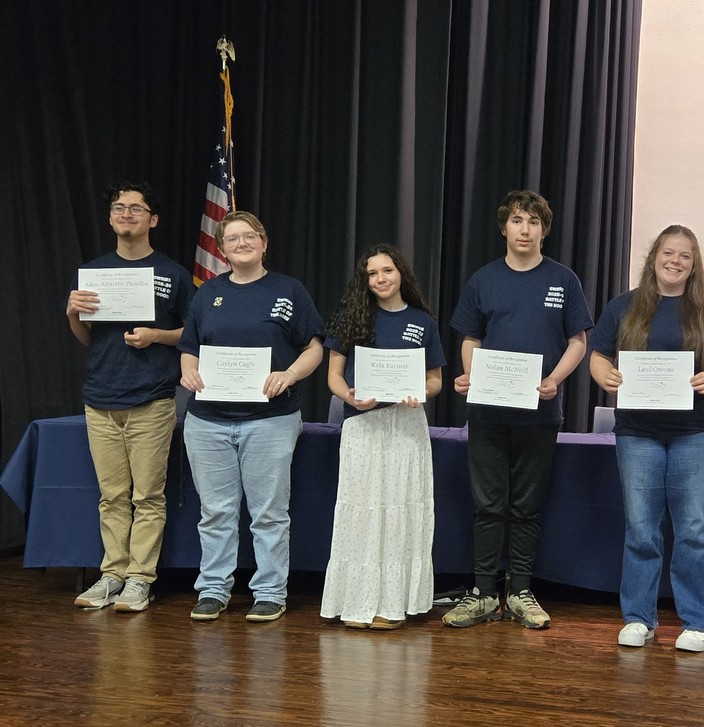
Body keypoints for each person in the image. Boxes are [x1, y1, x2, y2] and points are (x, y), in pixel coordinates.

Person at [443, 190, 593, 629]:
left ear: (544, 230)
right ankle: (484, 593)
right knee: (488, 506)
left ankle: (521, 591)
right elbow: (470, 338)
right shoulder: (484, 279)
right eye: (517, 221)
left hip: (539, 414)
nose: (525, 230)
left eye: (533, 222)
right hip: (488, 414)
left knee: (527, 506)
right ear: (504, 228)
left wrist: (554, 380)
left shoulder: (563, 280)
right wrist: (471, 375)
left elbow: (578, 342)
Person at [589, 224, 704, 651]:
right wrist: (605, 375)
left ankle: (700, 622)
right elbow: (598, 354)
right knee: (641, 528)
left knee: (696, 528)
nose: (675, 261)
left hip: (695, 431)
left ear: (694, 264)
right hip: (637, 432)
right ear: (654, 256)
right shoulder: (624, 306)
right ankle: (639, 618)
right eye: (668, 253)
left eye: (684, 256)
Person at [178, 211, 324, 623]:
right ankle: (213, 589)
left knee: (269, 513)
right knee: (216, 512)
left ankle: (270, 592)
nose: (241, 243)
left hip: (270, 420)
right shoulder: (207, 293)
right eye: (232, 238)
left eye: (249, 236)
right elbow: (190, 347)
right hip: (207, 421)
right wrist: (189, 372)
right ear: (221, 249)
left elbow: (315, 347)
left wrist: (289, 373)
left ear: (264, 243)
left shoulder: (289, 290)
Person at [66, 181, 194, 612]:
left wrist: (157, 335)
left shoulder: (173, 274)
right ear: (110, 218)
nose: (126, 214)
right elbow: (89, 337)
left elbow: (192, 333)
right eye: (119, 208)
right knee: (112, 496)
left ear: (152, 219)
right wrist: (72, 313)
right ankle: (112, 575)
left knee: (148, 497)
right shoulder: (93, 272)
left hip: (151, 398)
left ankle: (140, 579)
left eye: (136, 208)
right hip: (100, 396)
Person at [320, 244, 445, 629]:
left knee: (400, 509)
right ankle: (356, 603)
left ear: (401, 272)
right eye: (372, 273)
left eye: (387, 270)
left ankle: (392, 605)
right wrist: (349, 397)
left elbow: (436, 380)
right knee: (362, 509)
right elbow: (333, 376)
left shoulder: (422, 322)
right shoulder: (351, 316)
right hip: (362, 425)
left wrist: (420, 392)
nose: (380, 279)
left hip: (406, 426)